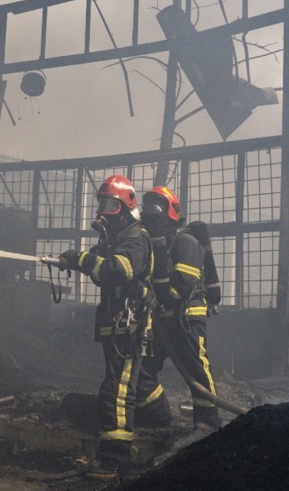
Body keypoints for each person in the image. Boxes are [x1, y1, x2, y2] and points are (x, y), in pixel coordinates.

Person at [56, 174, 154, 479]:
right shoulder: (114, 237)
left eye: (111, 203)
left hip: (130, 324)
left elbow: (115, 271)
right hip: (117, 322)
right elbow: (99, 267)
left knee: (118, 389)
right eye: (102, 203)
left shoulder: (135, 237)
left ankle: (115, 459)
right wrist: (72, 262)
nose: (104, 210)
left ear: (125, 207)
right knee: (126, 384)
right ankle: (158, 416)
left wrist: (81, 258)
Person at [137, 186, 221, 433]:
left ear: (170, 212)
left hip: (186, 319)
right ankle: (157, 415)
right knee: (141, 370)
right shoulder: (150, 243)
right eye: (147, 209)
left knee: (197, 371)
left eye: (156, 209)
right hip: (159, 321)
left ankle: (207, 423)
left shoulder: (186, 242)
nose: (150, 215)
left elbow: (180, 290)